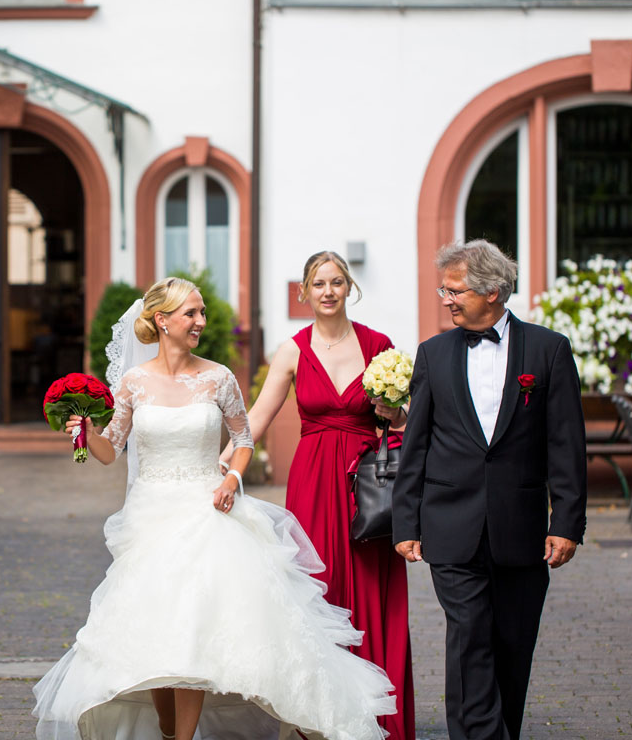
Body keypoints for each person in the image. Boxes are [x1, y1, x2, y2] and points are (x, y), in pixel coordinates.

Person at [33, 276, 396, 740]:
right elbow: (112, 451)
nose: (200, 321)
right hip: (150, 519)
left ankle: (183, 738)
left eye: (202, 312)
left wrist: (232, 477)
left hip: (208, 511)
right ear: (162, 321)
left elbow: (243, 440)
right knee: (154, 632)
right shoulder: (133, 383)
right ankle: (167, 729)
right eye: (191, 313)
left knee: (194, 630)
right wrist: (83, 433)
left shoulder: (219, 377)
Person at [393, 240, 587, 740]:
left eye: (455, 290)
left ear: (493, 292)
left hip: (520, 528)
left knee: (511, 645)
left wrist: (566, 523)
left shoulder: (548, 350)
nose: (447, 299)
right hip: (450, 525)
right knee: (469, 640)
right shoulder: (433, 354)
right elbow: (414, 447)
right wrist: (406, 523)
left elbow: (565, 444)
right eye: (444, 289)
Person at [220, 250, 416, 740]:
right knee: (316, 589)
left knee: (371, 586)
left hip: (367, 482)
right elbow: (258, 418)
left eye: (336, 282)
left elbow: (403, 420)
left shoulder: (380, 346)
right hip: (312, 482)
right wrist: (224, 464)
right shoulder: (291, 351)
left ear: (349, 287)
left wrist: (390, 411)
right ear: (304, 292)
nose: (328, 291)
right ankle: (322, 716)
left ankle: (378, 716)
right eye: (318, 283)